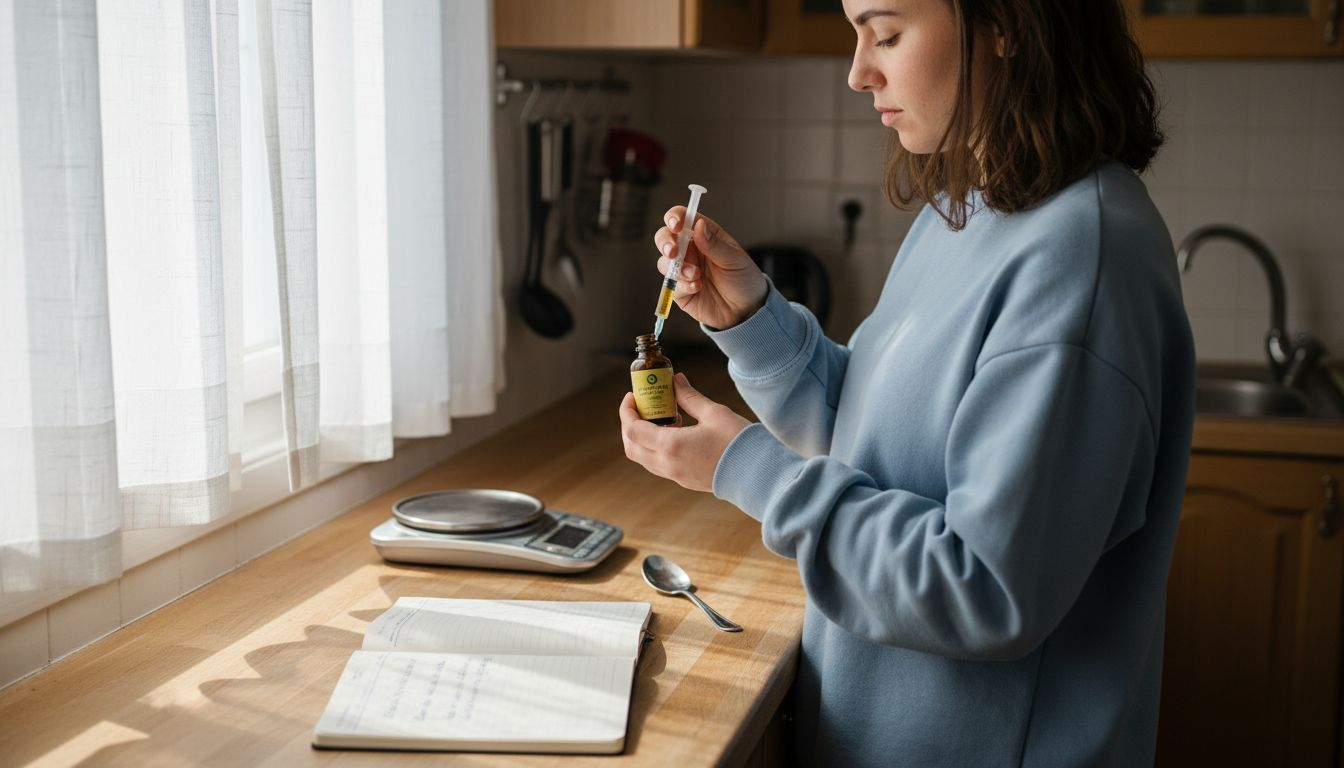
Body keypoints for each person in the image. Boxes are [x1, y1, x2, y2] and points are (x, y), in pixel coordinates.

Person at [618, 0, 1196, 765]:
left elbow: (983, 590)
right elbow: (875, 439)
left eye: (886, 35)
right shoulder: (972, 209)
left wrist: (748, 470)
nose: (859, 73)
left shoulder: (1081, 261)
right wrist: (749, 318)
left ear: (1008, 24)